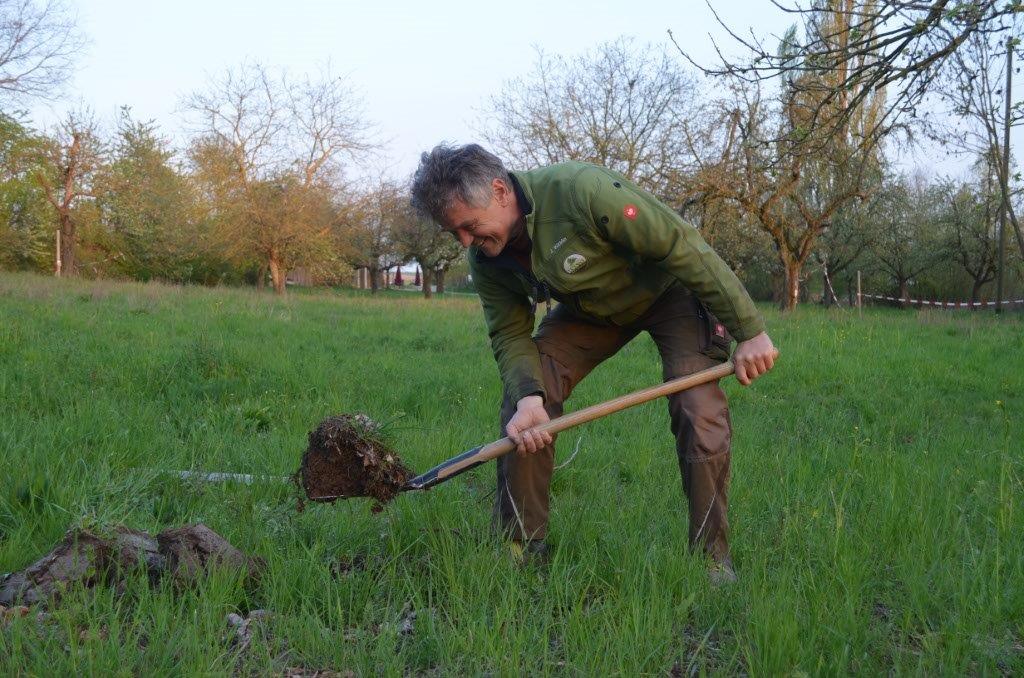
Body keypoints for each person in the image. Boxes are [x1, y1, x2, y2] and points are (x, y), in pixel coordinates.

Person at [410, 144, 777, 582]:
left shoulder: (581, 190)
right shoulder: (488, 260)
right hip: (594, 312)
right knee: (525, 407)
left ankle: (711, 557)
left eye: (469, 227)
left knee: (697, 407)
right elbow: (509, 333)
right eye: (456, 234)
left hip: (670, 293)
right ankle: (521, 547)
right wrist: (530, 398)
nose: (467, 243)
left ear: (499, 190)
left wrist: (750, 330)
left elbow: (679, 244)